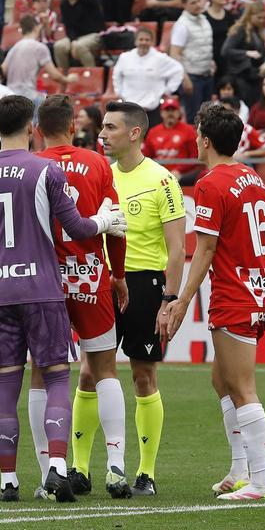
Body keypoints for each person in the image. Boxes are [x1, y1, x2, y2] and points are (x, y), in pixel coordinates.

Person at [0, 94, 127, 503]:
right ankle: (58, 468)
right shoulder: (46, 169)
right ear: (31, 128)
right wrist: (104, 220)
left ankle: (8, 482)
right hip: (44, 289)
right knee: (57, 377)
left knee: (6, 385)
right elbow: (76, 225)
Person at [15, 94, 131, 498]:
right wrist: (117, 274)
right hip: (89, 277)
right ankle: (116, 467)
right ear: (72, 126)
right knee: (105, 370)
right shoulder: (98, 163)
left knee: (42, 373)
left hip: (42, 282)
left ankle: (50, 473)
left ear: (38, 130)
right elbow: (115, 224)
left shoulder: (29, 167)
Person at [165, 102, 265, 501]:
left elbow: (207, 249)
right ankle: (239, 469)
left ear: (207, 140)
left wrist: (179, 300)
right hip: (260, 286)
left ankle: (260, 481)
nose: (194, 139)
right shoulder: (252, 177)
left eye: (197, 133)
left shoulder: (211, 184)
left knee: (241, 386)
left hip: (236, 291)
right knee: (221, 380)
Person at [94, 99, 187, 497]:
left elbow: (179, 248)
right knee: (89, 374)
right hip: (104, 283)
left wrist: (170, 299)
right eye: (101, 127)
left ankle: (146, 472)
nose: (101, 135)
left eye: (110, 128)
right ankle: (80, 468)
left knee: (142, 376)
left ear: (134, 133)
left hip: (146, 283)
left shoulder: (163, 181)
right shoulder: (101, 177)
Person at [112, 28, 184, 128]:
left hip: (152, 109)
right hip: (129, 108)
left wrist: (167, 91)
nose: (144, 42)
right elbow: (116, 75)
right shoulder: (125, 57)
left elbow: (178, 69)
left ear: (152, 42)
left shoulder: (160, 58)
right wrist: (119, 92)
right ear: (136, 41)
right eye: (141, 39)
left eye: (147, 40)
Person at [3, 15, 76, 103]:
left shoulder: (14, 48)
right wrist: (68, 79)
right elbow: (54, 75)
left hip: (10, 95)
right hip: (27, 96)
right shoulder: (40, 47)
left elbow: (3, 70)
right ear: (36, 28)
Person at [170, 0, 214, 120]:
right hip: (192, 77)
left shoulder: (204, 19)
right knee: (194, 117)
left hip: (207, 75)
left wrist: (211, 61)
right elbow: (174, 53)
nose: (197, 5)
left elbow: (204, 45)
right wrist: (185, 78)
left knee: (208, 117)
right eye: (192, 2)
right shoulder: (182, 25)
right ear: (184, 5)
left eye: (198, 1)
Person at [222, 1, 265, 105]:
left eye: (264, 18)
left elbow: (264, 53)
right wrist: (246, 53)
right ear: (250, 15)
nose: (262, 21)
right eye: (259, 18)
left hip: (256, 75)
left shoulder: (259, 31)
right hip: (241, 76)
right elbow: (225, 51)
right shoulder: (240, 29)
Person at [143, 95, 201, 182]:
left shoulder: (189, 131)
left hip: (182, 176)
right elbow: (146, 157)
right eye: (167, 110)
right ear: (161, 113)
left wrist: (178, 170)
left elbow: (195, 157)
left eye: (173, 110)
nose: (170, 113)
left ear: (179, 112)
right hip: (157, 175)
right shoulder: (153, 132)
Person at [54, 0, 104, 70]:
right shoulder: (64, 3)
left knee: (80, 46)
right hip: (77, 37)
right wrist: (73, 40)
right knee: (59, 46)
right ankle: (64, 77)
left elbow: (92, 0)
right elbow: (68, 26)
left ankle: (92, 74)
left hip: (94, 35)